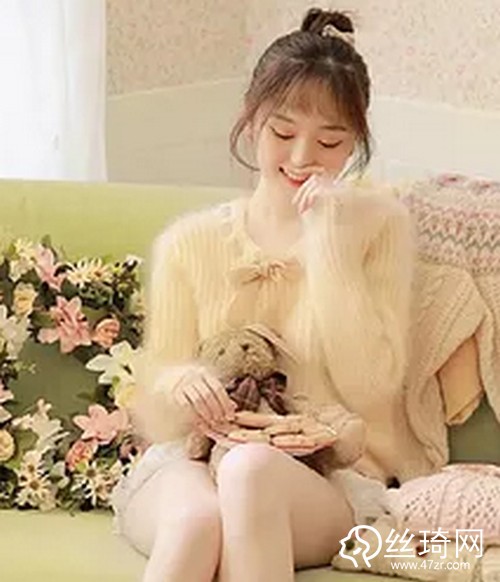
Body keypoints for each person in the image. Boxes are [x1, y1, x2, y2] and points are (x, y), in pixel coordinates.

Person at [111, 7, 429, 582]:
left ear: (354, 142)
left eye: (330, 141)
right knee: (197, 522)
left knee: (249, 471)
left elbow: (370, 385)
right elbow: (156, 412)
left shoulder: (379, 226)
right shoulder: (190, 243)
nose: (303, 158)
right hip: (190, 467)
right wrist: (181, 384)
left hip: (323, 481)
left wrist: (328, 241)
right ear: (252, 118)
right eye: (283, 133)